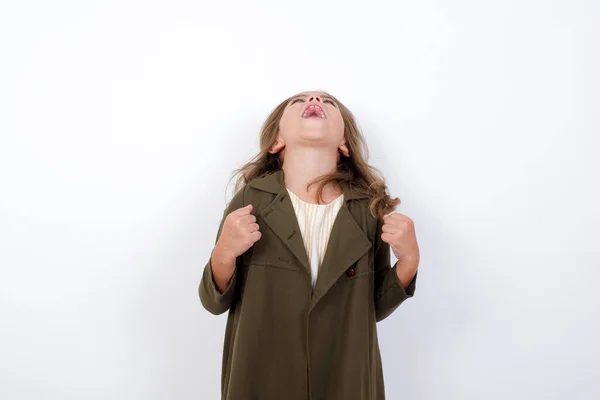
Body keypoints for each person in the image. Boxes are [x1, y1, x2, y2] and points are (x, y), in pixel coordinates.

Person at [199, 90, 420, 400]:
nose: (315, 101)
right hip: (264, 372)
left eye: (328, 102)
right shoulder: (251, 201)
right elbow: (214, 301)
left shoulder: (368, 209)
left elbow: (375, 307)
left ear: (344, 143)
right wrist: (224, 251)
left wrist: (408, 261)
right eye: (299, 101)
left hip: (344, 373)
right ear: (277, 140)